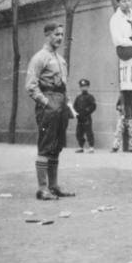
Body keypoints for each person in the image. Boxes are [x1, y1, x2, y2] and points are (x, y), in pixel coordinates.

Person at [26, 22, 76, 200]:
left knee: (56, 146)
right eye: (56, 34)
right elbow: (31, 86)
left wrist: (68, 105)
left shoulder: (61, 59)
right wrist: (46, 102)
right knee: (46, 146)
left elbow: (64, 86)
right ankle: (42, 188)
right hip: (48, 104)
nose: (60, 38)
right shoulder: (40, 58)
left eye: (62, 35)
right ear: (47, 35)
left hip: (61, 105)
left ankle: (54, 186)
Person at [73, 78, 97, 153]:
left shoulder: (90, 97)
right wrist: (76, 113)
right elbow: (75, 106)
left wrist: (87, 111)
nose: (84, 88)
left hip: (87, 118)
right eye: (82, 86)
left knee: (89, 132)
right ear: (80, 87)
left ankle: (91, 147)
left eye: (85, 86)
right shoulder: (78, 97)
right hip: (80, 118)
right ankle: (80, 146)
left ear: (88, 87)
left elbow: (93, 106)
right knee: (79, 133)